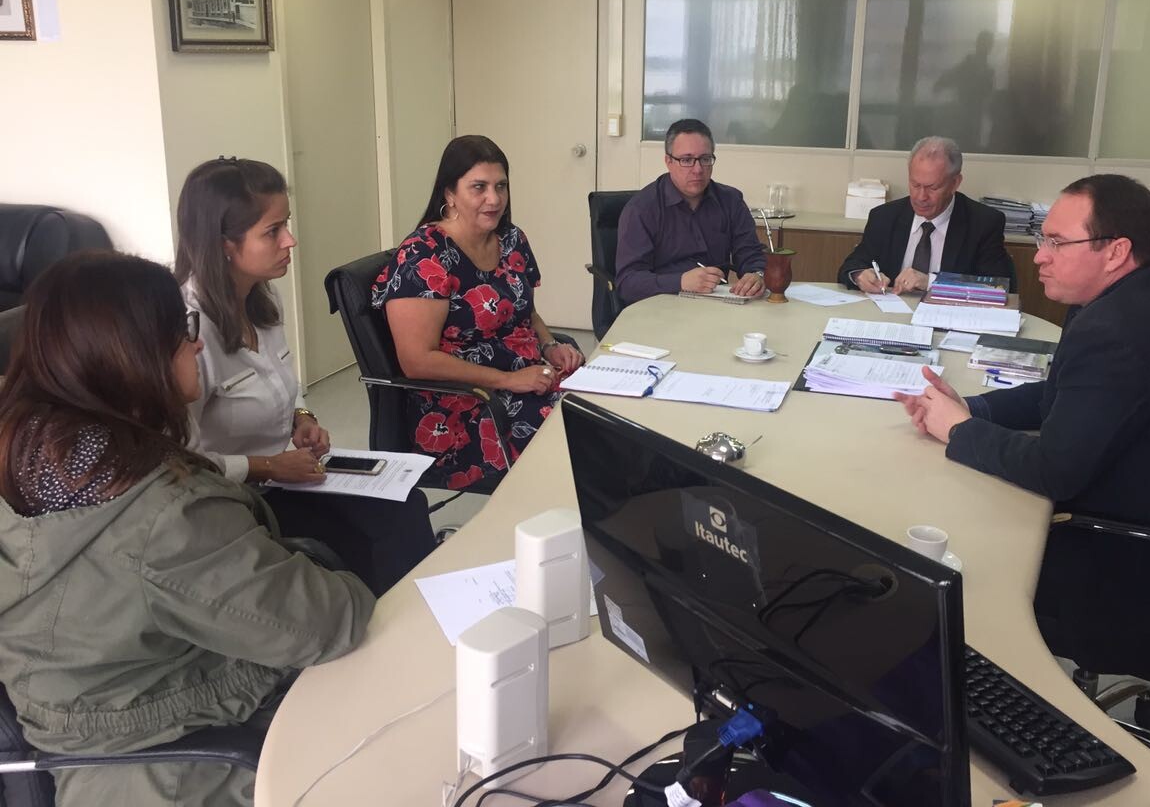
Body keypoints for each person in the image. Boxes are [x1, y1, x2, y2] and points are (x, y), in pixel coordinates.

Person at [0, 252, 373, 807]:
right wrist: (341, 580)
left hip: (78, 728)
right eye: (182, 332)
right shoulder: (168, 515)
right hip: (178, 770)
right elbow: (328, 622)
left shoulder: (29, 452)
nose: (197, 346)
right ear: (130, 357)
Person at [895, 174, 1150, 671]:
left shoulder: (1120, 331)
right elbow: (1063, 394)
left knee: (945, 569)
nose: (1039, 257)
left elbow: (1054, 470)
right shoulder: (1141, 294)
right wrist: (975, 408)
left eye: (1057, 242)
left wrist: (958, 430)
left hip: (1142, 566)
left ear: (1115, 252)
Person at [176, 157, 435, 595]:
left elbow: (280, 379)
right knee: (362, 542)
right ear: (224, 245)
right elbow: (182, 461)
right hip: (233, 501)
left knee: (405, 503)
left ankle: (425, 612)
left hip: (281, 478)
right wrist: (268, 466)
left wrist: (302, 418)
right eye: (272, 231)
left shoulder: (262, 297)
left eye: (287, 225)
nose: (290, 240)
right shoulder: (187, 332)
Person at [373, 136, 584, 490]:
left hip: (527, 380)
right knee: (577, 439)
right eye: (479, 187)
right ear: (450, 194)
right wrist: (508, 380)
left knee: (604, 411)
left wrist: (549, 346)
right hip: (466, 408)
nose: (494, 199)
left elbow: (526, 313)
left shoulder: (512, 239)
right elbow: (417, 361)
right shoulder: (424, 256)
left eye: (501, 186)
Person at [614, 118, 767, 304]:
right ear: (668, 161)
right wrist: (680, 282)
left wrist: (756, 274)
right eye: (686, 160)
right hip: (660, 306)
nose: (698, 169)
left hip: (716, 304)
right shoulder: (642, 209)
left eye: (705, 159)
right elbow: (627, 283)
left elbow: (750, 254)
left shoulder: (731, 201)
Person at [836, 136, 1012, 294]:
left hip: (949, 315)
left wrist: (930, 282)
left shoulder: (983, 223)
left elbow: (998, 286)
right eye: (915, 185)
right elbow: (851, 265)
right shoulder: (884, 217)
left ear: (955, 183)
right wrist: (859, 275)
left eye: (932, 188)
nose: (921, 197)